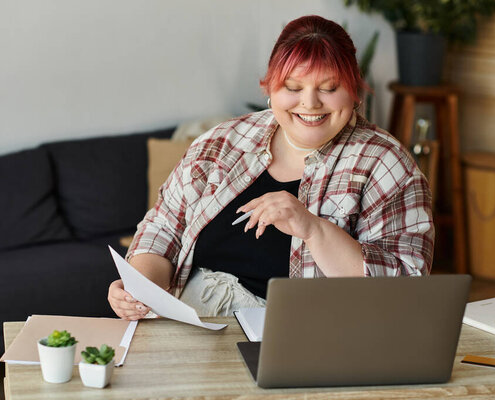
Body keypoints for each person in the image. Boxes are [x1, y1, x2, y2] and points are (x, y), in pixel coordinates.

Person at [108, 15, 434, 320]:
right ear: (270, 88)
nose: (310, 103)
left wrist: (313, 228)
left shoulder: (385, 164)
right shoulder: (221, 142)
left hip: (300, 339)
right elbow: (164, 228)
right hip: (191, 323)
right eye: (293, 88)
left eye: (329, 88)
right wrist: (140, 289)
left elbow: (406, 288)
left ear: (354, 91)